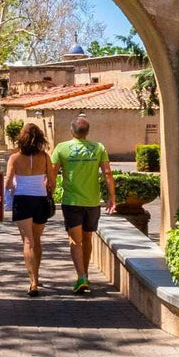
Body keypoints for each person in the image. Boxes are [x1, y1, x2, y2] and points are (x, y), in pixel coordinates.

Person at [50, 116, 116, 294]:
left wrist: (49, 193)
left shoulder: (62, 148)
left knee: (75, 240)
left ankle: (82, 276)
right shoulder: (98, 148)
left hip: (72, 201)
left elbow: (52, 175)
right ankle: (84, 274)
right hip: (93, 202)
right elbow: (108, 173)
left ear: (72, 131)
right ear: (88, 132)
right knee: (87, 239)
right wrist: (112, 197)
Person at [4, 123, 56, 296]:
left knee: (28, 241)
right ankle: (37, 275)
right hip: (40, 200)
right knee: (37, 240)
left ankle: (32, 282)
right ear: (39, 138)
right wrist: (50, 194)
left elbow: (8, 182)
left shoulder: (14, 158)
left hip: (22, 200)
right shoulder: (45, 157)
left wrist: (12, 189)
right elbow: (52, 182)